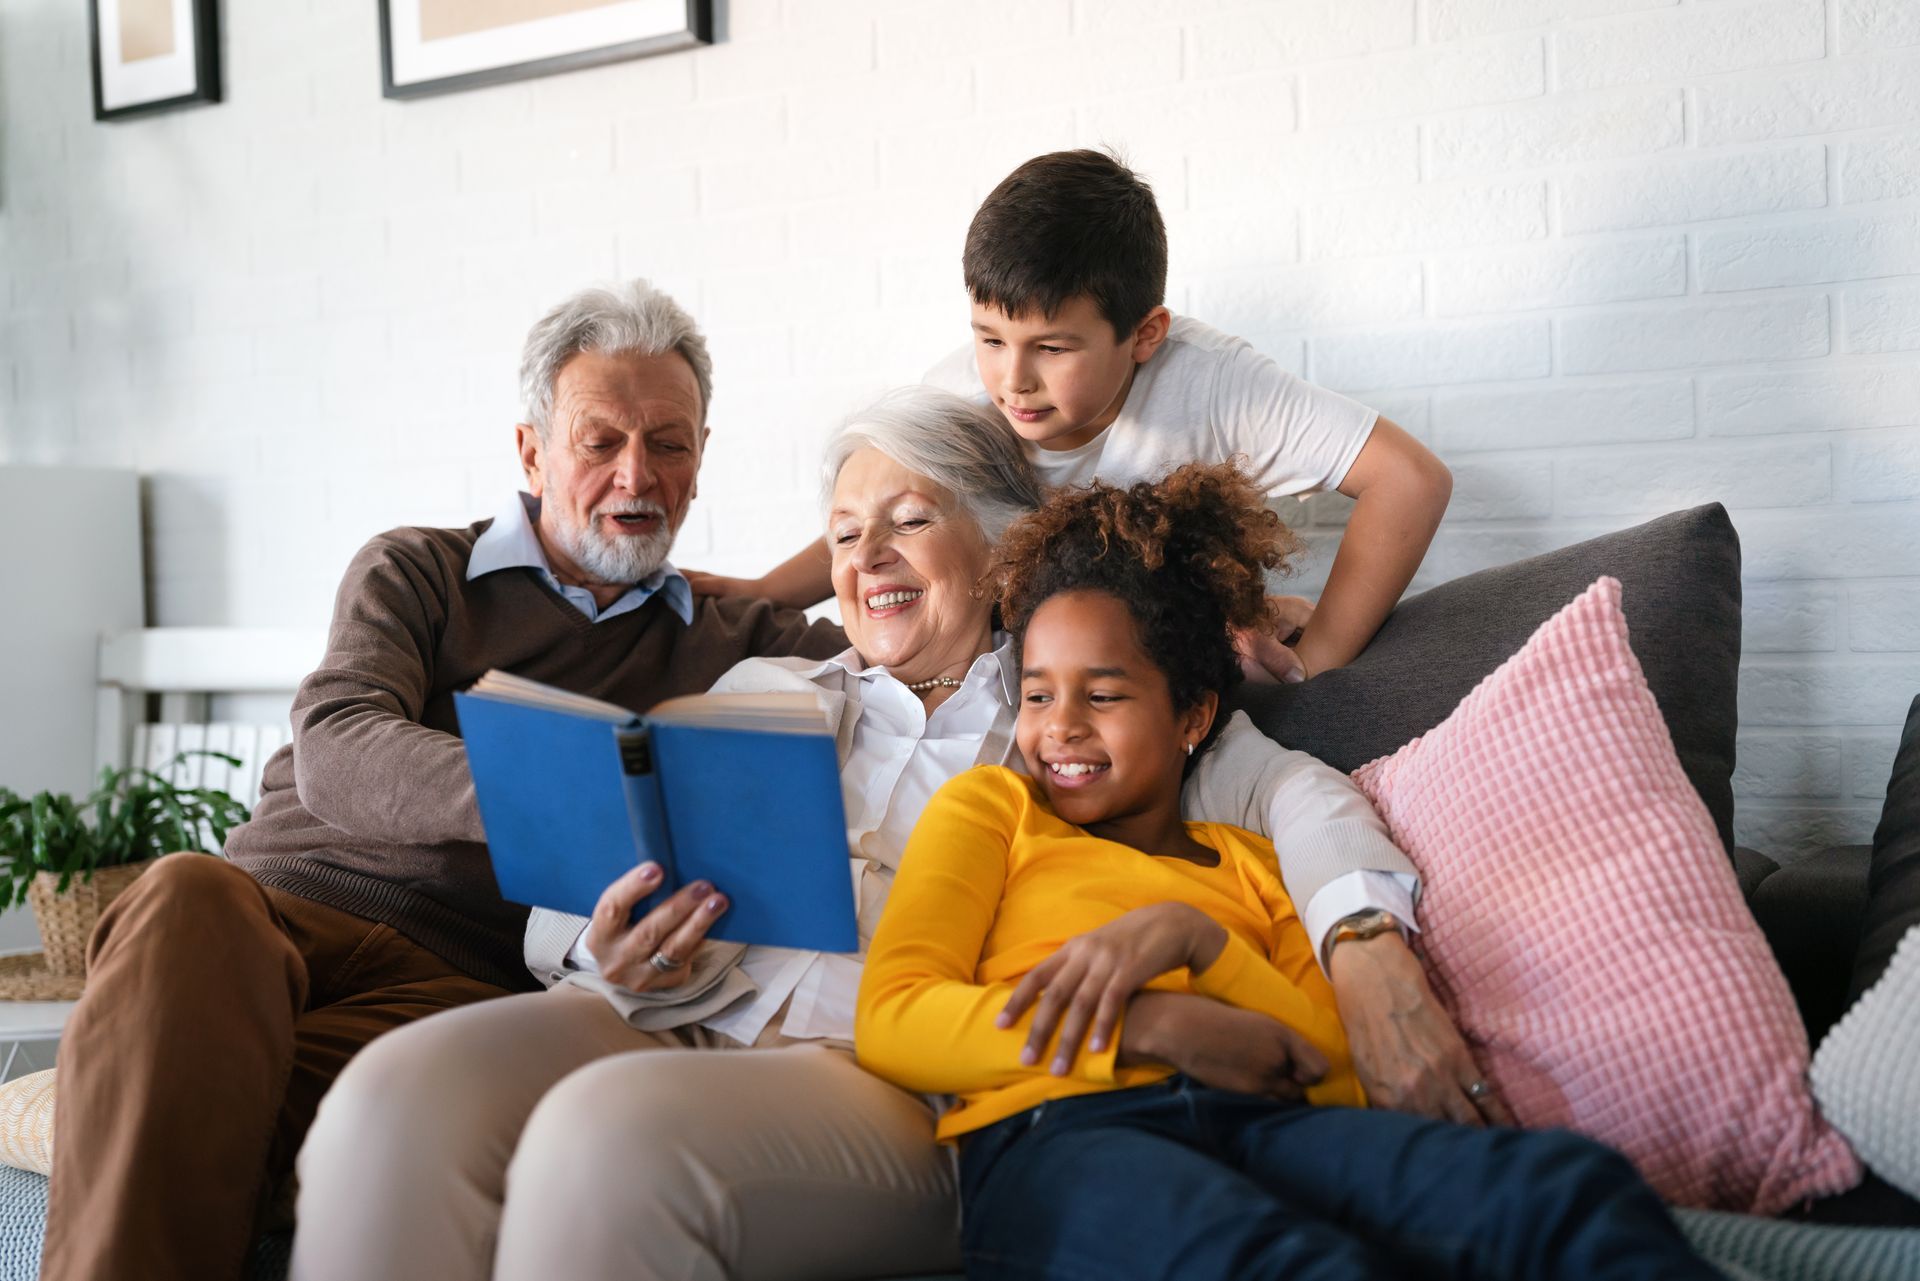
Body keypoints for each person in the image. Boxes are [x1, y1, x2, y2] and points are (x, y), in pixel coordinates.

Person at [290, 388, 1429, 1281]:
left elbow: (1298, 795)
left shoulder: (1076, 708)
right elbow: (570, 909)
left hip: (891, 1076)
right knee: (395, 1098)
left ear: (1003, 540)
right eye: (844, 535)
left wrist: (1368, 942)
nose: (866, 559)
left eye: (909, 520)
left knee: (610, 1141)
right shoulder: (764, 687)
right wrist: (606, 943)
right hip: (670, 1011)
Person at [39, 280, 846, 1281]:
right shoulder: (417, 570)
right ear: (531, 452)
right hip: (268, 921)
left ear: (701, 460)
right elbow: (337, 743)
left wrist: (795, 578)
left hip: (458, 983)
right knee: (182, 893)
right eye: (599, 441)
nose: (636, 473)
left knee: (202, 1099)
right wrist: (557, 787)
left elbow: (931, 614)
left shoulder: (739, 638)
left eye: (669, 443)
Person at [854, 462, 1722, 1281]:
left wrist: (1199, 943)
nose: (1060, 727)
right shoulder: (990, 811)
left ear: (1193, 714)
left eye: (1104, 695)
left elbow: (1339, 1068)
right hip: (1064, 1137)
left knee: (1567, 1190)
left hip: (1271, 1127)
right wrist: (1148, 1023)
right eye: (1039, 694)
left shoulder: (1256, 863)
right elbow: (895, 1020)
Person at [693, 147, 1453, 687]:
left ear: (1144, 335)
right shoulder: (963, 392)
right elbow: (882, 518)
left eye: (1052, 347)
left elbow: (1411, 480)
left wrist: (1319, 660)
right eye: (990, 339)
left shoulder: (1216, 384)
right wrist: (760, 590)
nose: (1012, 381)